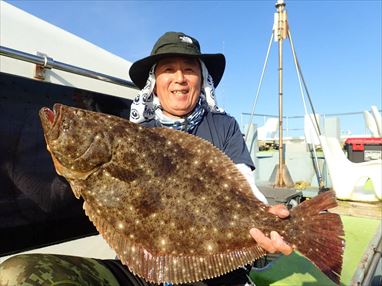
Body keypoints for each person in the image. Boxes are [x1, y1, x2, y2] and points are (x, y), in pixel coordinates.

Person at [0, 32, 292, 286]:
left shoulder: (223, 127)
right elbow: (54, 201)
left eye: (189, 69)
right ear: (155, 80)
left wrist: (269, 223)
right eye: (168, 69)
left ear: (202, 78)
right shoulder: (132, 130)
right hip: (139, 273)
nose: (179, 78)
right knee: (19, 272)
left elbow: (244, 184)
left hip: (212, 275)